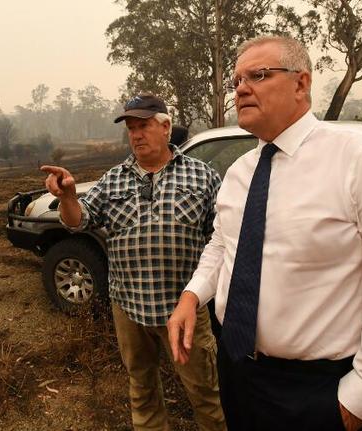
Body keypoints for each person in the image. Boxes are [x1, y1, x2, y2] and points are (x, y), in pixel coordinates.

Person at [167, 35, 362, 431]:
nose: (241, 88)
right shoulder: (239, 173)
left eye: (259, 75)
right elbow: (223, 245)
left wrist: (356, 400)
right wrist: (191, 296)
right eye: (236, 81)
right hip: (237, 373)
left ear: (302, 83)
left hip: (315, 390)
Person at [41, 94, 226, 431]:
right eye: (131, 128)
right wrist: (68, 196)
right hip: (129, 308)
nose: (136, 134)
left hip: (183, 309)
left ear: (166, 127)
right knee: (142, 391)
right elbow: (77, 221)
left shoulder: (203, 177)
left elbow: (221, 239)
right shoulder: (113, 179)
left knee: (206, 394)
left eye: (144, 126)